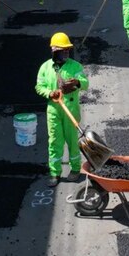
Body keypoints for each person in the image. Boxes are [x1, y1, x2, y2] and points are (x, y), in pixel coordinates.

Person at [35, 33, 89, 186]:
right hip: (54, 110)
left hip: (71, 110)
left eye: (68, 50)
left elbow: (85, 83)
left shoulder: (75, 66)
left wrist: (77, 83)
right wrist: (49, 93)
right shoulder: (45, 68)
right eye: (63, 50)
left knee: (72, 141)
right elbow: (39, 87)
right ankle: (55, 173)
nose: (66, 52)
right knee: (54, 142)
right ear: (54, 51)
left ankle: (75, 169)